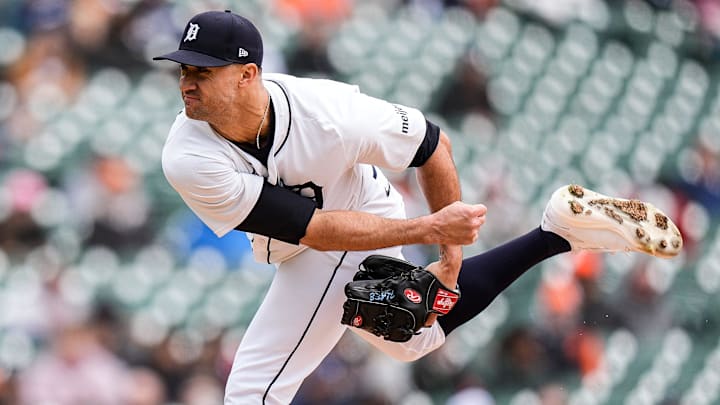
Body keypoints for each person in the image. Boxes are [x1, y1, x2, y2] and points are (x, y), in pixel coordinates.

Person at [153, 10, 683, 404]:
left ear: (247, 75)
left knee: (253, 391)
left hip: (361, 214)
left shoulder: (331, 113)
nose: (187, 81)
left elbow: (431, 145)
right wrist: (430, 226)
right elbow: (311, 229)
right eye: (184, 69)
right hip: (315, 237)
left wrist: (449, 255)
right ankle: (556, 233)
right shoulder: (188, 155)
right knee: (413, 339)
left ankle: (554, 235)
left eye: (203, 71)